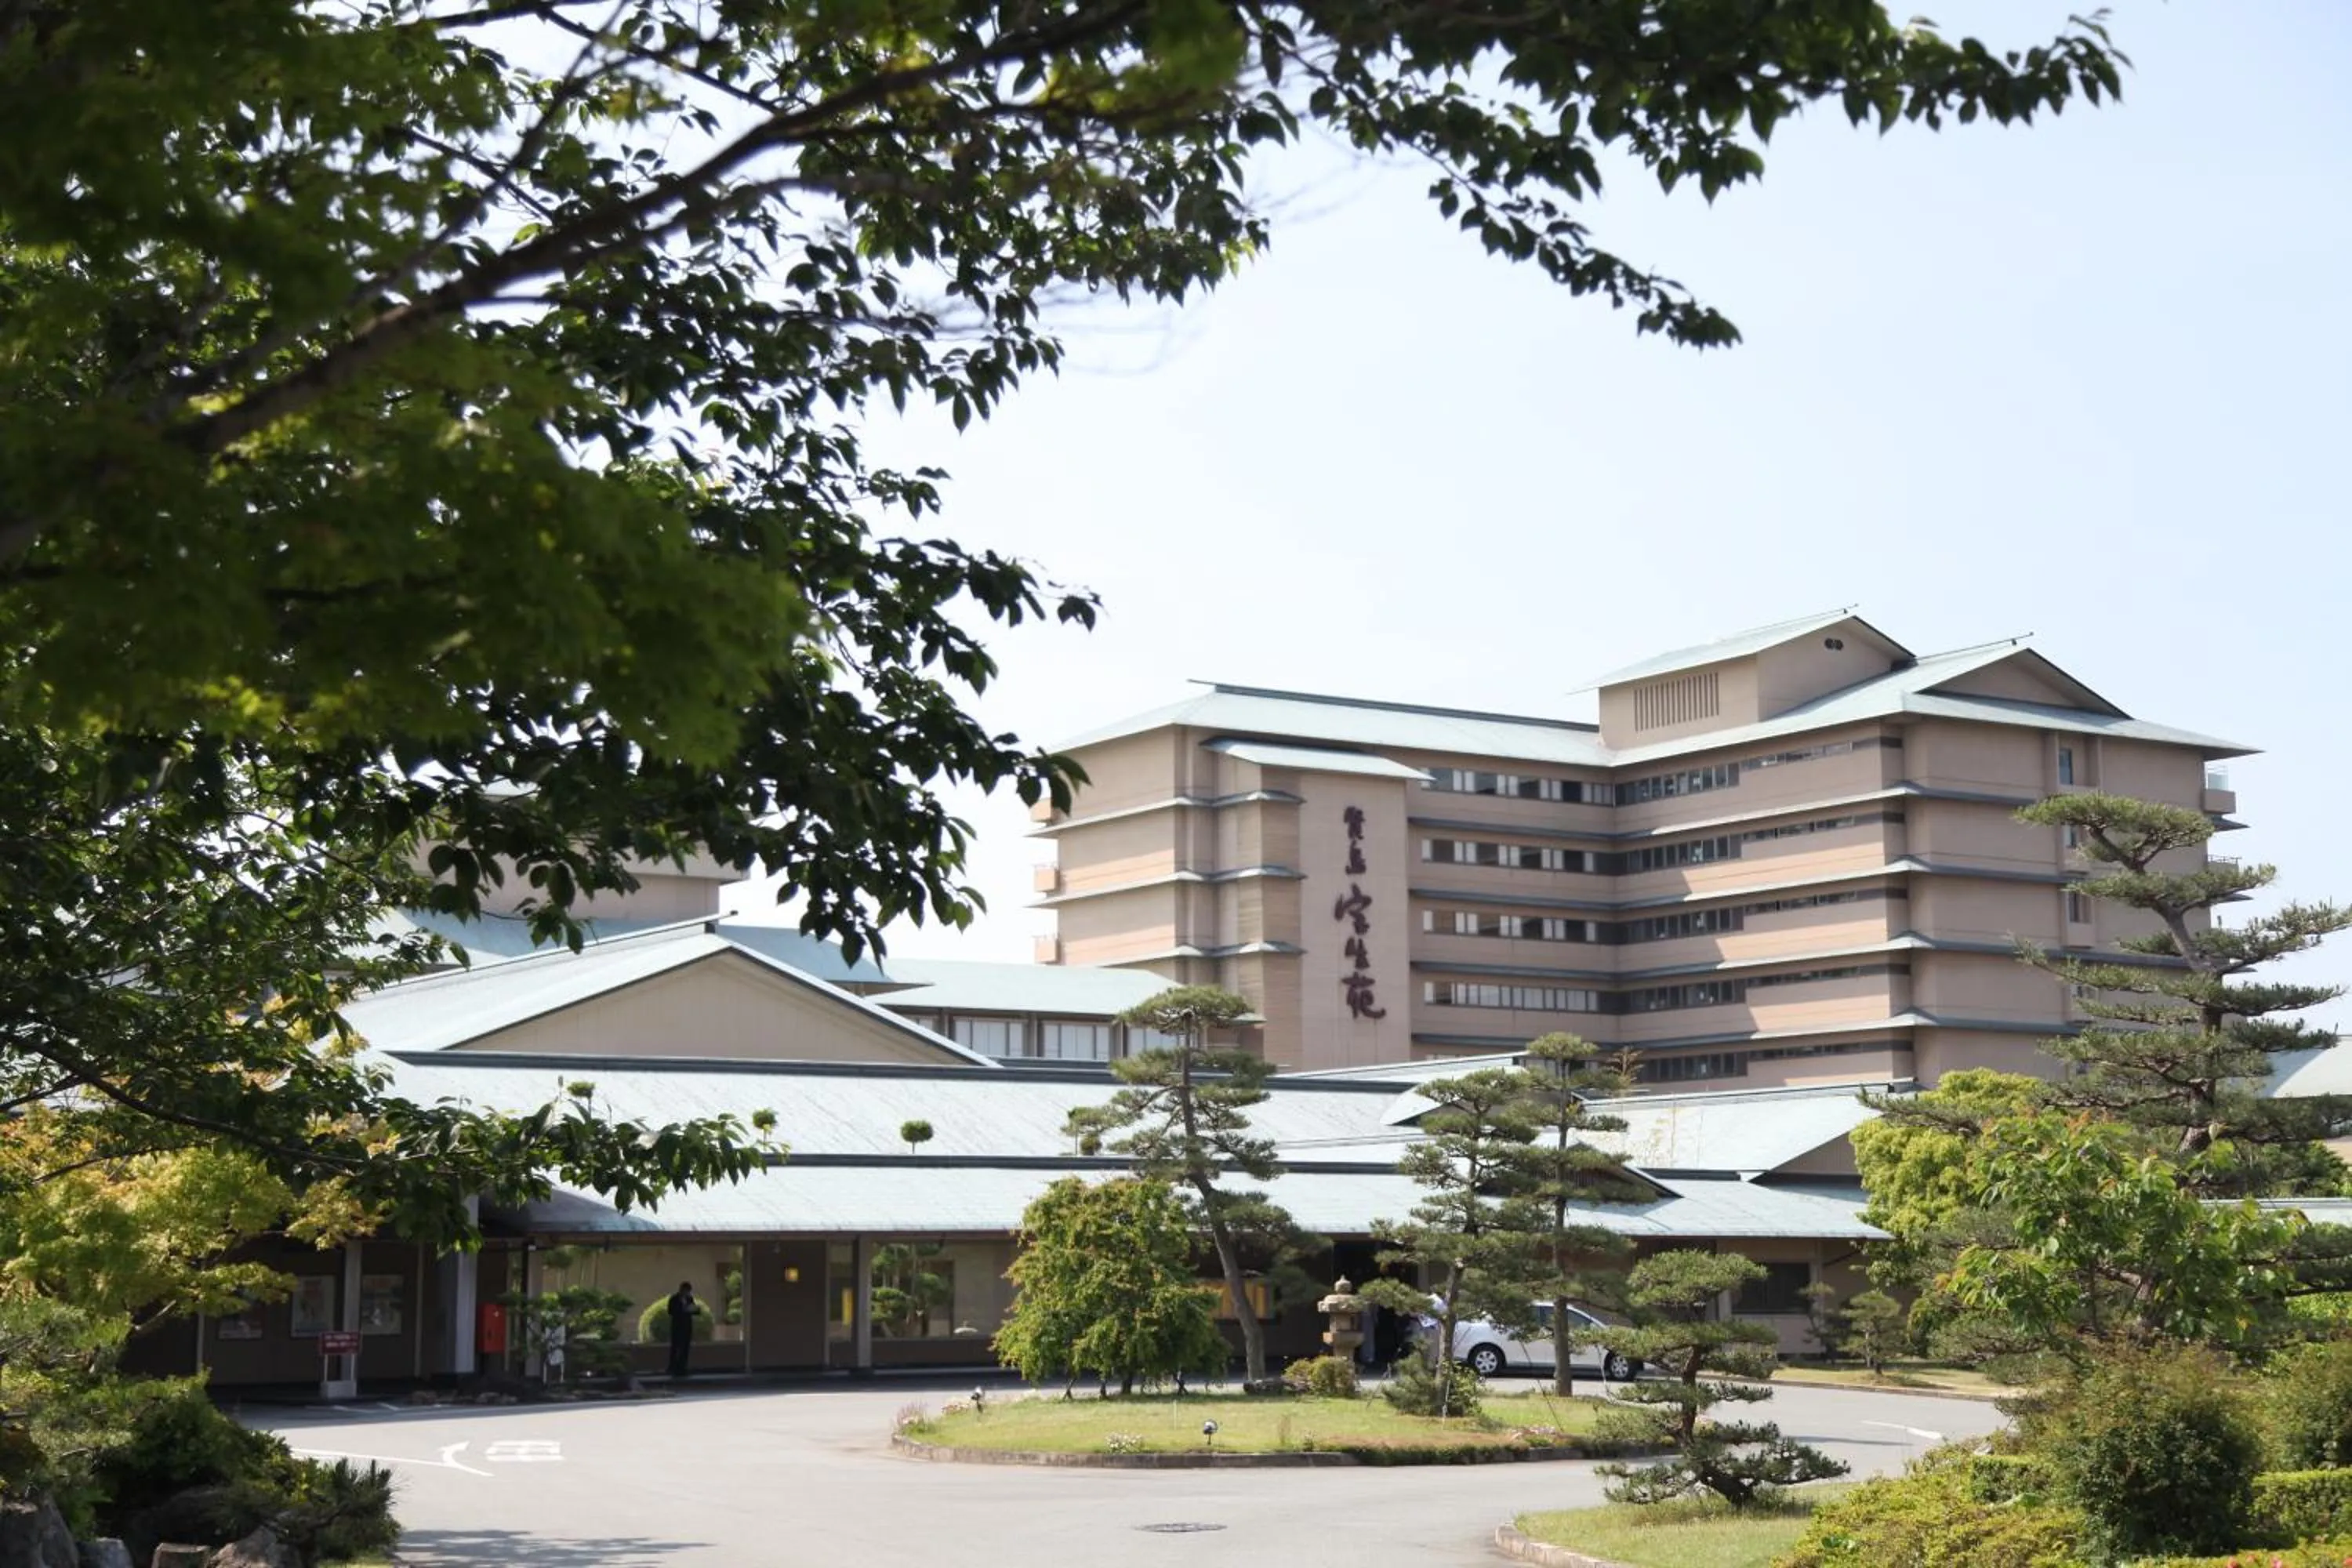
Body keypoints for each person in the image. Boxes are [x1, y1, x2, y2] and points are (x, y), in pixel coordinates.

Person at [664, 1281, 697, 1380]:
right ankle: (673, 1368)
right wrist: (682, 1310)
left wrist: (693, 1310)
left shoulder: (690, 1299)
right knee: (675, 1348)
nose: (687, 1293)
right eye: (686, 1291)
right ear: (682, 1290)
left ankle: (683, 1368)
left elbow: (694, 1309)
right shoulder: (674, 1299)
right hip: (677, 1327)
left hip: (687, 1327)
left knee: (685, 1348)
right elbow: (670, 1311)